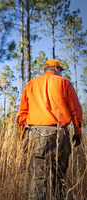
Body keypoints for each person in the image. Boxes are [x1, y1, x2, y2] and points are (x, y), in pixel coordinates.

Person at [16, 59, 82, 200]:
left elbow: (22, 112)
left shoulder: (31, 84)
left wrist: (22, 133)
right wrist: (78, 132)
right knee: (59, 179)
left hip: (36, 135)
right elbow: (75, 110)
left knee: (38, 180)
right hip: (60, 134)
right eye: (60, 70)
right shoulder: (65, 83)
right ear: (56, 69)